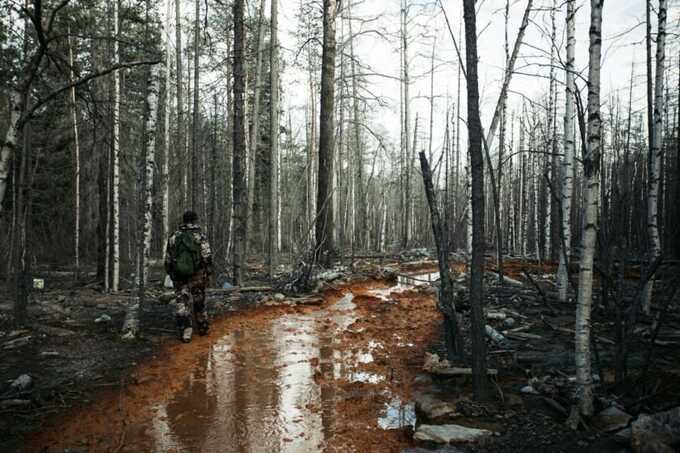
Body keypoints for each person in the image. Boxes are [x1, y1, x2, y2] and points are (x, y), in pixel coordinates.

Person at [164, 210, 213, 343]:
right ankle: (202, 326)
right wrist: (208, 272)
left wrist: (170, 272)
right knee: (199, 300)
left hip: (179, 275)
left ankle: (186, 330)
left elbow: (168, 257)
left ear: (184, 221)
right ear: (195, 220)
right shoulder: (200, 236)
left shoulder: (174, 236)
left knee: (182, 302)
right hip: (197, 275)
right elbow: (207, 256)